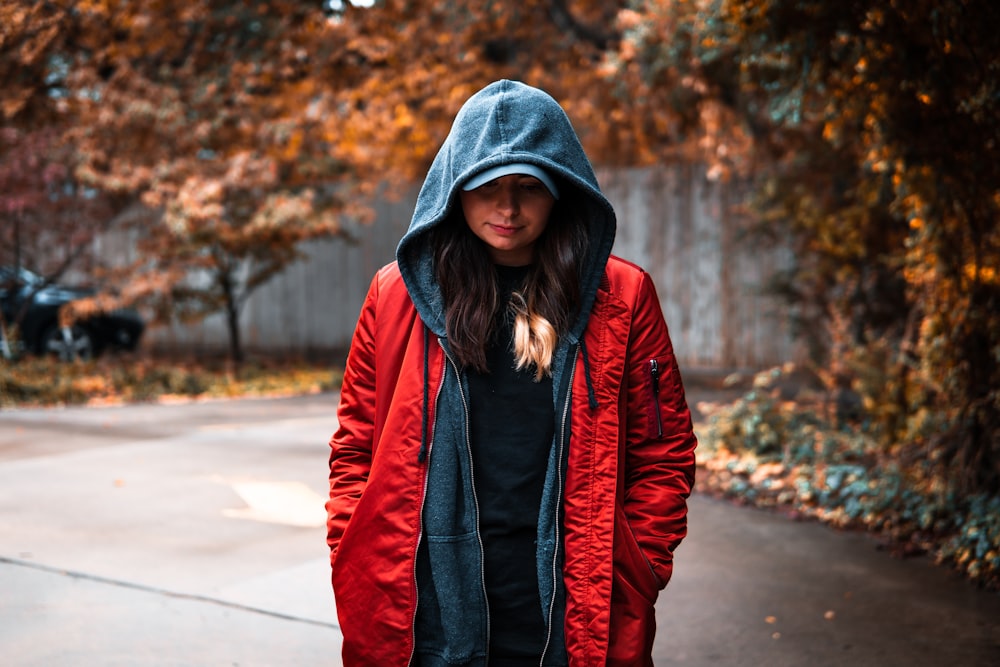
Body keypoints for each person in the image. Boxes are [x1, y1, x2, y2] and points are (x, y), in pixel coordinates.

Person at [326, 79, 697, 666]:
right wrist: (353, 545)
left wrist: (638, 565)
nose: (508, 209)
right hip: (425, 606)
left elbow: (664, 450)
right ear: (456, 189)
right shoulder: (394, 296)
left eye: (529, 187)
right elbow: (354, 448)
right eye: (487, 188)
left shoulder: (621, 296)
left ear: (561, 191)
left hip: (572, 599)